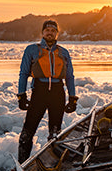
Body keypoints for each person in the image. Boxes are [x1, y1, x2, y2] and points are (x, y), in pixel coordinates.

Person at [16, 19, 77, 163]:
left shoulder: (63, 52)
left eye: (53, 31)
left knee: (55, 134)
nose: (50, 33)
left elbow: (69, 76)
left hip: (57, 93)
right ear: (42, 32)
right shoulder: (32, 50)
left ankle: (53, 163)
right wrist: (21, 95)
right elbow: (23, 73)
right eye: (47, 30)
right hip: (39, 92)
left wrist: (73, 98)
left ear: (57, 34)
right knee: (27, 132)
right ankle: (22, 164)